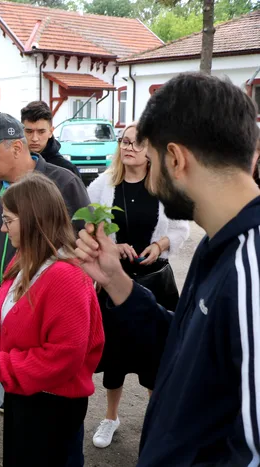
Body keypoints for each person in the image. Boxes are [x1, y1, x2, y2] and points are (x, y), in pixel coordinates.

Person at [74, 72, 260, 466]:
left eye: (152, 156)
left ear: (175, 159)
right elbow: (189, 350)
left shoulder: (250, 270)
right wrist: (116, 281)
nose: (150, 176)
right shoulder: (218, 242)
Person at [0, 173, 104, 467]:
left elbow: (64, 355)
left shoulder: (65, 277)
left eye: (8, 220)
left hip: (52, 405)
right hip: (27, 391)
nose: (2, 228)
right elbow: (15, 309)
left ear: (33, 220)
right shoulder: (27, 259)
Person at [0, 112, 90, 411]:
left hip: (45, 311)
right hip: (3, 301)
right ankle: (11, 404)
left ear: (16, 148)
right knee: (9, 379)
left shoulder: (62, 182)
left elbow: (85, 242)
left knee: (42, 388)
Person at [87, 121, 190, 448]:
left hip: (156, 281)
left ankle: (156, 419)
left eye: (136, 142)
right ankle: (110, 417)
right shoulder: (103, 184)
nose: (128, 147)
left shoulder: (165, 185)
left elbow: (182, 229)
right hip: (115, 283)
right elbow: (87, 226)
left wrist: (160, 245)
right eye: (124, 141)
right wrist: (109, 245)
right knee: (115, 354)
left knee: (156, 356)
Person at [21, 101, 81, 178]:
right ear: (21, 130)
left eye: (41, 132)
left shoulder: (67, 170)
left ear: (51, 132)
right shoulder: (11, 165)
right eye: (29, 131)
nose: (34, 138)